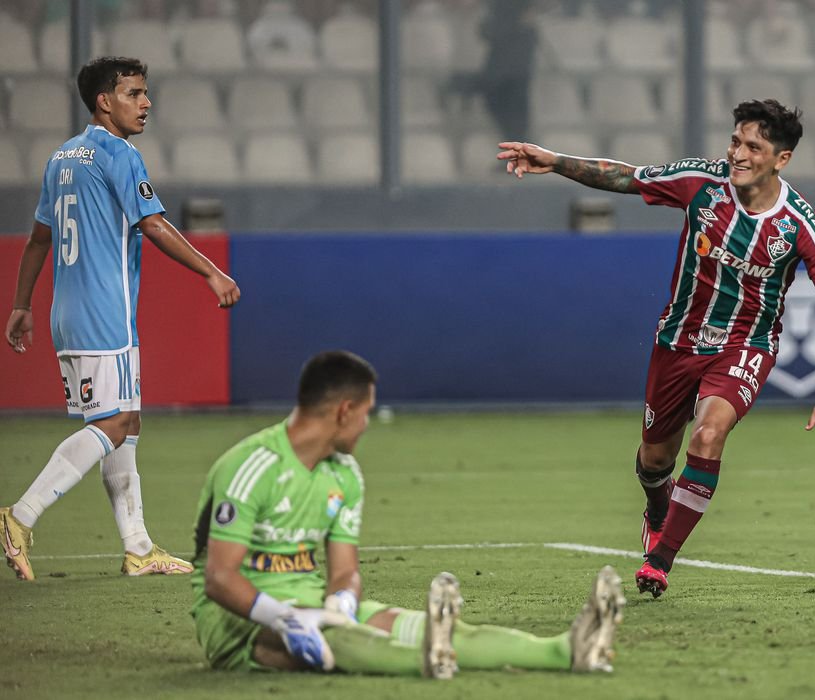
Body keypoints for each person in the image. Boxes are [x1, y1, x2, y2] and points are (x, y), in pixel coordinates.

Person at [497, 99, 815, 598]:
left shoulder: (799, 226)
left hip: (745, 347)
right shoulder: (702, 183)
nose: (738, 153)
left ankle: (660, 560)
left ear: (781, 159)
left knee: (708, 437)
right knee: (654, 460)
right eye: (736, 141)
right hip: (677, 343)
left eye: (754, 146)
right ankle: (656, 506)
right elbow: (627, 178)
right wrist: (555, 160)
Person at [191, 350, 623, 677]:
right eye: (365, 414)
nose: (366, 425)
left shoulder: (345, 476)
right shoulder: (252, 466)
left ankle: (566, 649)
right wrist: (285, 618)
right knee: (337, 639)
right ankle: (422, 658)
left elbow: (345, 572)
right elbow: (220, 578)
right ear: (344, 411)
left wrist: (341, 600)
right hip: (239, 621)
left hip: (313, 604)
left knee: (429, 627)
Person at [2, 56, 241, 581]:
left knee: (126, 425)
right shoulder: (119, 154)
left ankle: (138, 547)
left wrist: (22, 304)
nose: (146, 102)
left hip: (72, 310)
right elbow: (153, 225)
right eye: (134, 93)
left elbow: (40, 237)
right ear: (104, 102)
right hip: (101, 311)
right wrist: (212, 272)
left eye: (145, 92)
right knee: (111, 423)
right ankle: (19, 516)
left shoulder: (61, 157)